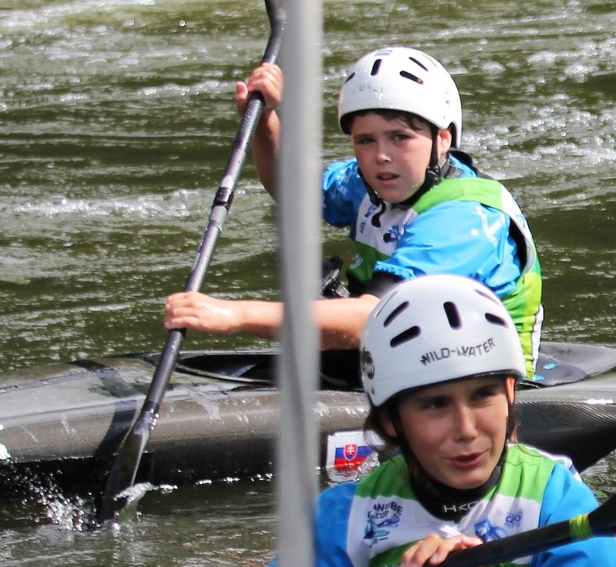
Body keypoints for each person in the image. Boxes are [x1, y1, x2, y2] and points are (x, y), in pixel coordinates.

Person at [3, 276, 616, 567]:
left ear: (512, 393)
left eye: (483, 394)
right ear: (390, 423)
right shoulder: (346, 515)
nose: (466, 428)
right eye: (434, 404)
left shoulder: (553, 501)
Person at [162, 47, 544, 362]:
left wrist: (235, 314)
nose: (381, 156)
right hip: (406, 357)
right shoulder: (368, 183)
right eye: (366, 141)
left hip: (478, 387)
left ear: (442, 139)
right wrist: (265, 118)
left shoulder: (466, 220)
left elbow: (375, 318)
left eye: (400, 137)